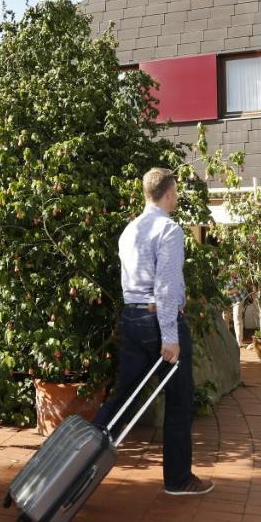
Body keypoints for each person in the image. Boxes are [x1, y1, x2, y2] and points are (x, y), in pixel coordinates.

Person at [92, 167, 214, 496]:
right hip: (158, 321)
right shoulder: (169, 230)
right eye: (176, 192)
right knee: (179, 400)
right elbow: (164, 286)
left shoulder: (129, 230)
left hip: (131, 319)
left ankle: (84, 453)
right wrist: (170, 337)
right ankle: (177, 479)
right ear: (170, 193)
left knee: (124, 395)